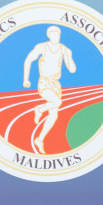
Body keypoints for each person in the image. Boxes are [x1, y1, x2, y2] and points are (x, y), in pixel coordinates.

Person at [22, 26, 75, 155]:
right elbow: (28, 60)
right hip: (44, 82)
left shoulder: (65, 50)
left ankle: (39, 139)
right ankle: (39, 109)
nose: (56, 36)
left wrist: (68, 57)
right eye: (53, 34)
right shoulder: (42, 47)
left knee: (54, 115)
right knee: (57, 102)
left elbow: (72, 69)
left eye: (58, 34)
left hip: (56, 84)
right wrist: (26, 79)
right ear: (49, 35)